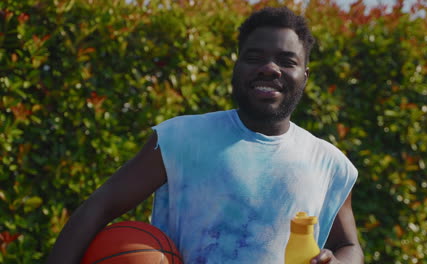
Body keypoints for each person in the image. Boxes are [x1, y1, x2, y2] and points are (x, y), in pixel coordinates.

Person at [47, 6, 364, 264]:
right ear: (236, 67)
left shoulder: (330, 163)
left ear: (304, 76)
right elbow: (99, 206)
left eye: (287, 61)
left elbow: (349, 246)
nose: (270, 68)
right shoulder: (179, 138)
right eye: (254, 57)